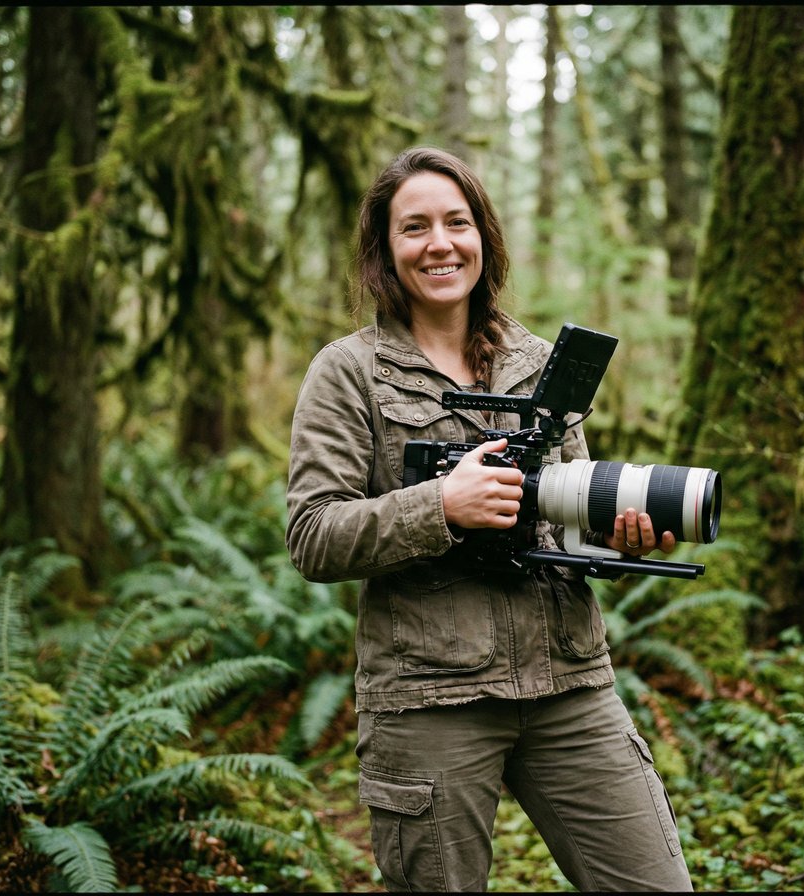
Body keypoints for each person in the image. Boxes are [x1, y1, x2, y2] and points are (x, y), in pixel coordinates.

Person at [286, 146, 694, 892]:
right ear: (386, 251)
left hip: (569, 682)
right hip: (430, 697)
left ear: (484, 238)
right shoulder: (348, 372)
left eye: (456, 222)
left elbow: (563, 509)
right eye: (415, 228)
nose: (440, 244)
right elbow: (313, 534)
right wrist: (439, 507)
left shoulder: (541, 362)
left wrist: (616, 532)